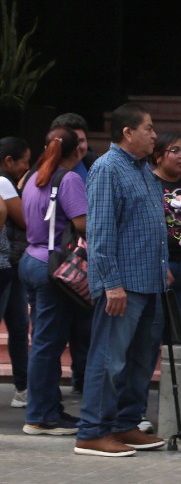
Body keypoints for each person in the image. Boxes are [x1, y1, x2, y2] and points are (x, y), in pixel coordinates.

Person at [75, 104, 171, 456]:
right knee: (109, 359)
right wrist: (110, 283)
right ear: (127, 133)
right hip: (123, 285)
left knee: (140, 360)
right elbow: (100, 232)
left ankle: (125, 424)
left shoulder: (144, 169)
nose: (154, 134)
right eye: (147, 128)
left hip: (150, 281)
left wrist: (163, 266)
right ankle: (91, 431)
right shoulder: (106, 169)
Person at [19, 127, 87, 439]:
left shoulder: (33, 177)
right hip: (54, 267)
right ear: (78, 151)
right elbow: (82, 223)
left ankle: (47, 408)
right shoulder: (69, 179)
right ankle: (40, 415)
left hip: (31, 260)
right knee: (47, 344)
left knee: (43, 342)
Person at [133, 132, 181, 432]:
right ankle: (135, 413)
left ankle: (176, 414)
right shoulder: (148, 183)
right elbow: (143, 229)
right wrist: (157, 263)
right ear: (158, 155)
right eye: (176, 150)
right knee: (148, 343)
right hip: (158, 269)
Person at [47, 112, 95, 396]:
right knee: (52, 333)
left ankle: (83, 380)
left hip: (86, 261)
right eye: (74, 141)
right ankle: (46, 398)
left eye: (83, 141)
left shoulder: (94, 164)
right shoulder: (49, 172)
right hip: (60, 259)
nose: (79, 148)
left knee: (86, 328)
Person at [0, 136, 31, 409]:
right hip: (6, 263)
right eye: (24, 162)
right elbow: (24, 220)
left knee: (20, 326)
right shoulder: (3, 183)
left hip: (12, 264)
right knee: (18, 327)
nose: (26, 167)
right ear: (8, 161)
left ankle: (24, 386)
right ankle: (22, 387)